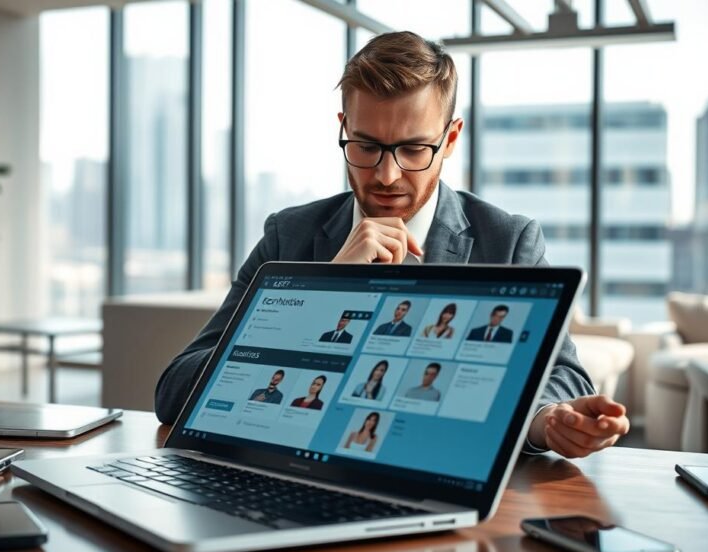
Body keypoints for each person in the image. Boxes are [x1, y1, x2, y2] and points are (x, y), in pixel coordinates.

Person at [157, 32, 629, 459]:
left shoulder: (506, 241)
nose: (386, 175)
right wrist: (321, 292)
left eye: (412, 149)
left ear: (450, 139)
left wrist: (546, 423)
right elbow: (174, 390)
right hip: (296, 477)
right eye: (365, 146)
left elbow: (564, 378)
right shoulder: (289, 235)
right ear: (343, 126)